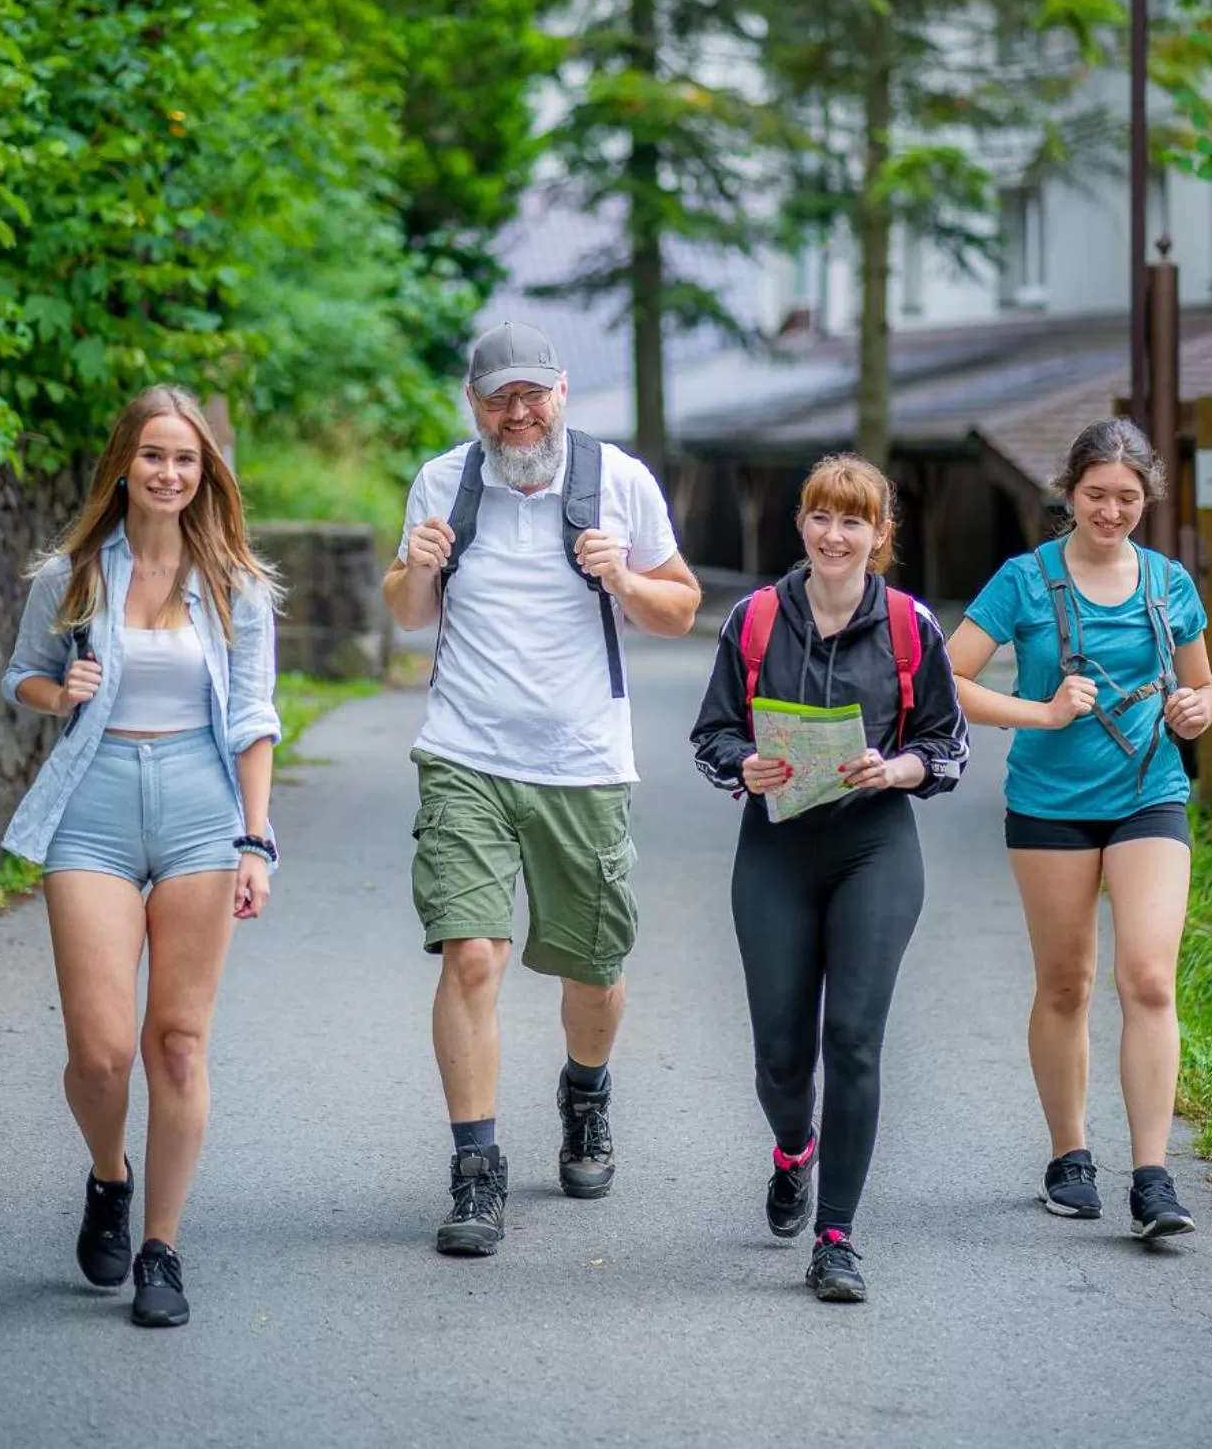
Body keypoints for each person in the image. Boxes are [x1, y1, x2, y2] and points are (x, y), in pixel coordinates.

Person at [383, 319, 701, 1257]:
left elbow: (680, 608)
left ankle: (585, 1092)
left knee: (592, 968)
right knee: (470, 956)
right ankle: (476, 1172)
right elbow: (406, 614)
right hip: (465, 751)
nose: (518, 413)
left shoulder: (618, 483)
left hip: (582, 762)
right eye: (498, 398)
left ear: (561, 392)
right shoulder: (445, 482)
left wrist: (622, 580)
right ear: (473, 404)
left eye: (533, 395)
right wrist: (420, 567)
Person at [1, 386, 281, 1328]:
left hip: (204, 813)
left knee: (178, 1042)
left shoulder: (238, 584)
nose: (169, 473)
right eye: (154, 455)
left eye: (186, 459)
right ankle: (108, 1175)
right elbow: (21, 676)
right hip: (93, 808)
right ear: (125, 462)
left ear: (206, 474)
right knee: (101, 1052)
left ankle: (160, 1248)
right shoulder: (74, 573)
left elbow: (253, 721)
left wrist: (254, 840)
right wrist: (59, 690)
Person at [690, 454, 968, 1305]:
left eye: (853, 521)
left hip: (873, 847)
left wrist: (897, 771)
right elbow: (711, 736)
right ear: (802, 525)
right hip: (775, 845)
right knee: (781, 1053)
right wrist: (746, 763)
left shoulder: (912, 627)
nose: (834, 535)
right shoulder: (756, 618)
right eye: (820, 517)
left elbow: (948, 749)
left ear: (880, 536)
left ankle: (837, 1235)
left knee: (850, 1037)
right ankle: (792, 1150)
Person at [945, 417, 1212, 1241]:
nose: (1109, 511)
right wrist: (1041, 710)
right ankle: (1070, 1156)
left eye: (1126, 498)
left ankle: (1152, 1176)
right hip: (1048, 807)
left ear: (1147, 500)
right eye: (1095, 495)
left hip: (1147, 798)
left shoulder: (1168, 584)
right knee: (1065, 983)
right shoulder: (1022, 582)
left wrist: (1193, 709)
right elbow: (945, 678)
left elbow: (1203, 698)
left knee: (1148, 980)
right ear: (1068, 494)